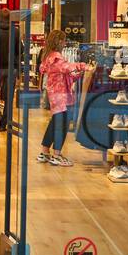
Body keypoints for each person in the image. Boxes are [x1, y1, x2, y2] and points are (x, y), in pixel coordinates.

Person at [38, 29, 87, 166]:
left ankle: (45, 151)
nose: (65, 43)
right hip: (61, 96)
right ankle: (57, 155)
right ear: (59, 41)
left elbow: (67, 73)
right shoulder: (56, 58)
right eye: (64, 40)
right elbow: (67, 68)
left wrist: (77, 74)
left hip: (55, 94)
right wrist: (84, 66)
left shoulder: (48, 56)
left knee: (55, 122)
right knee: (62, 124)